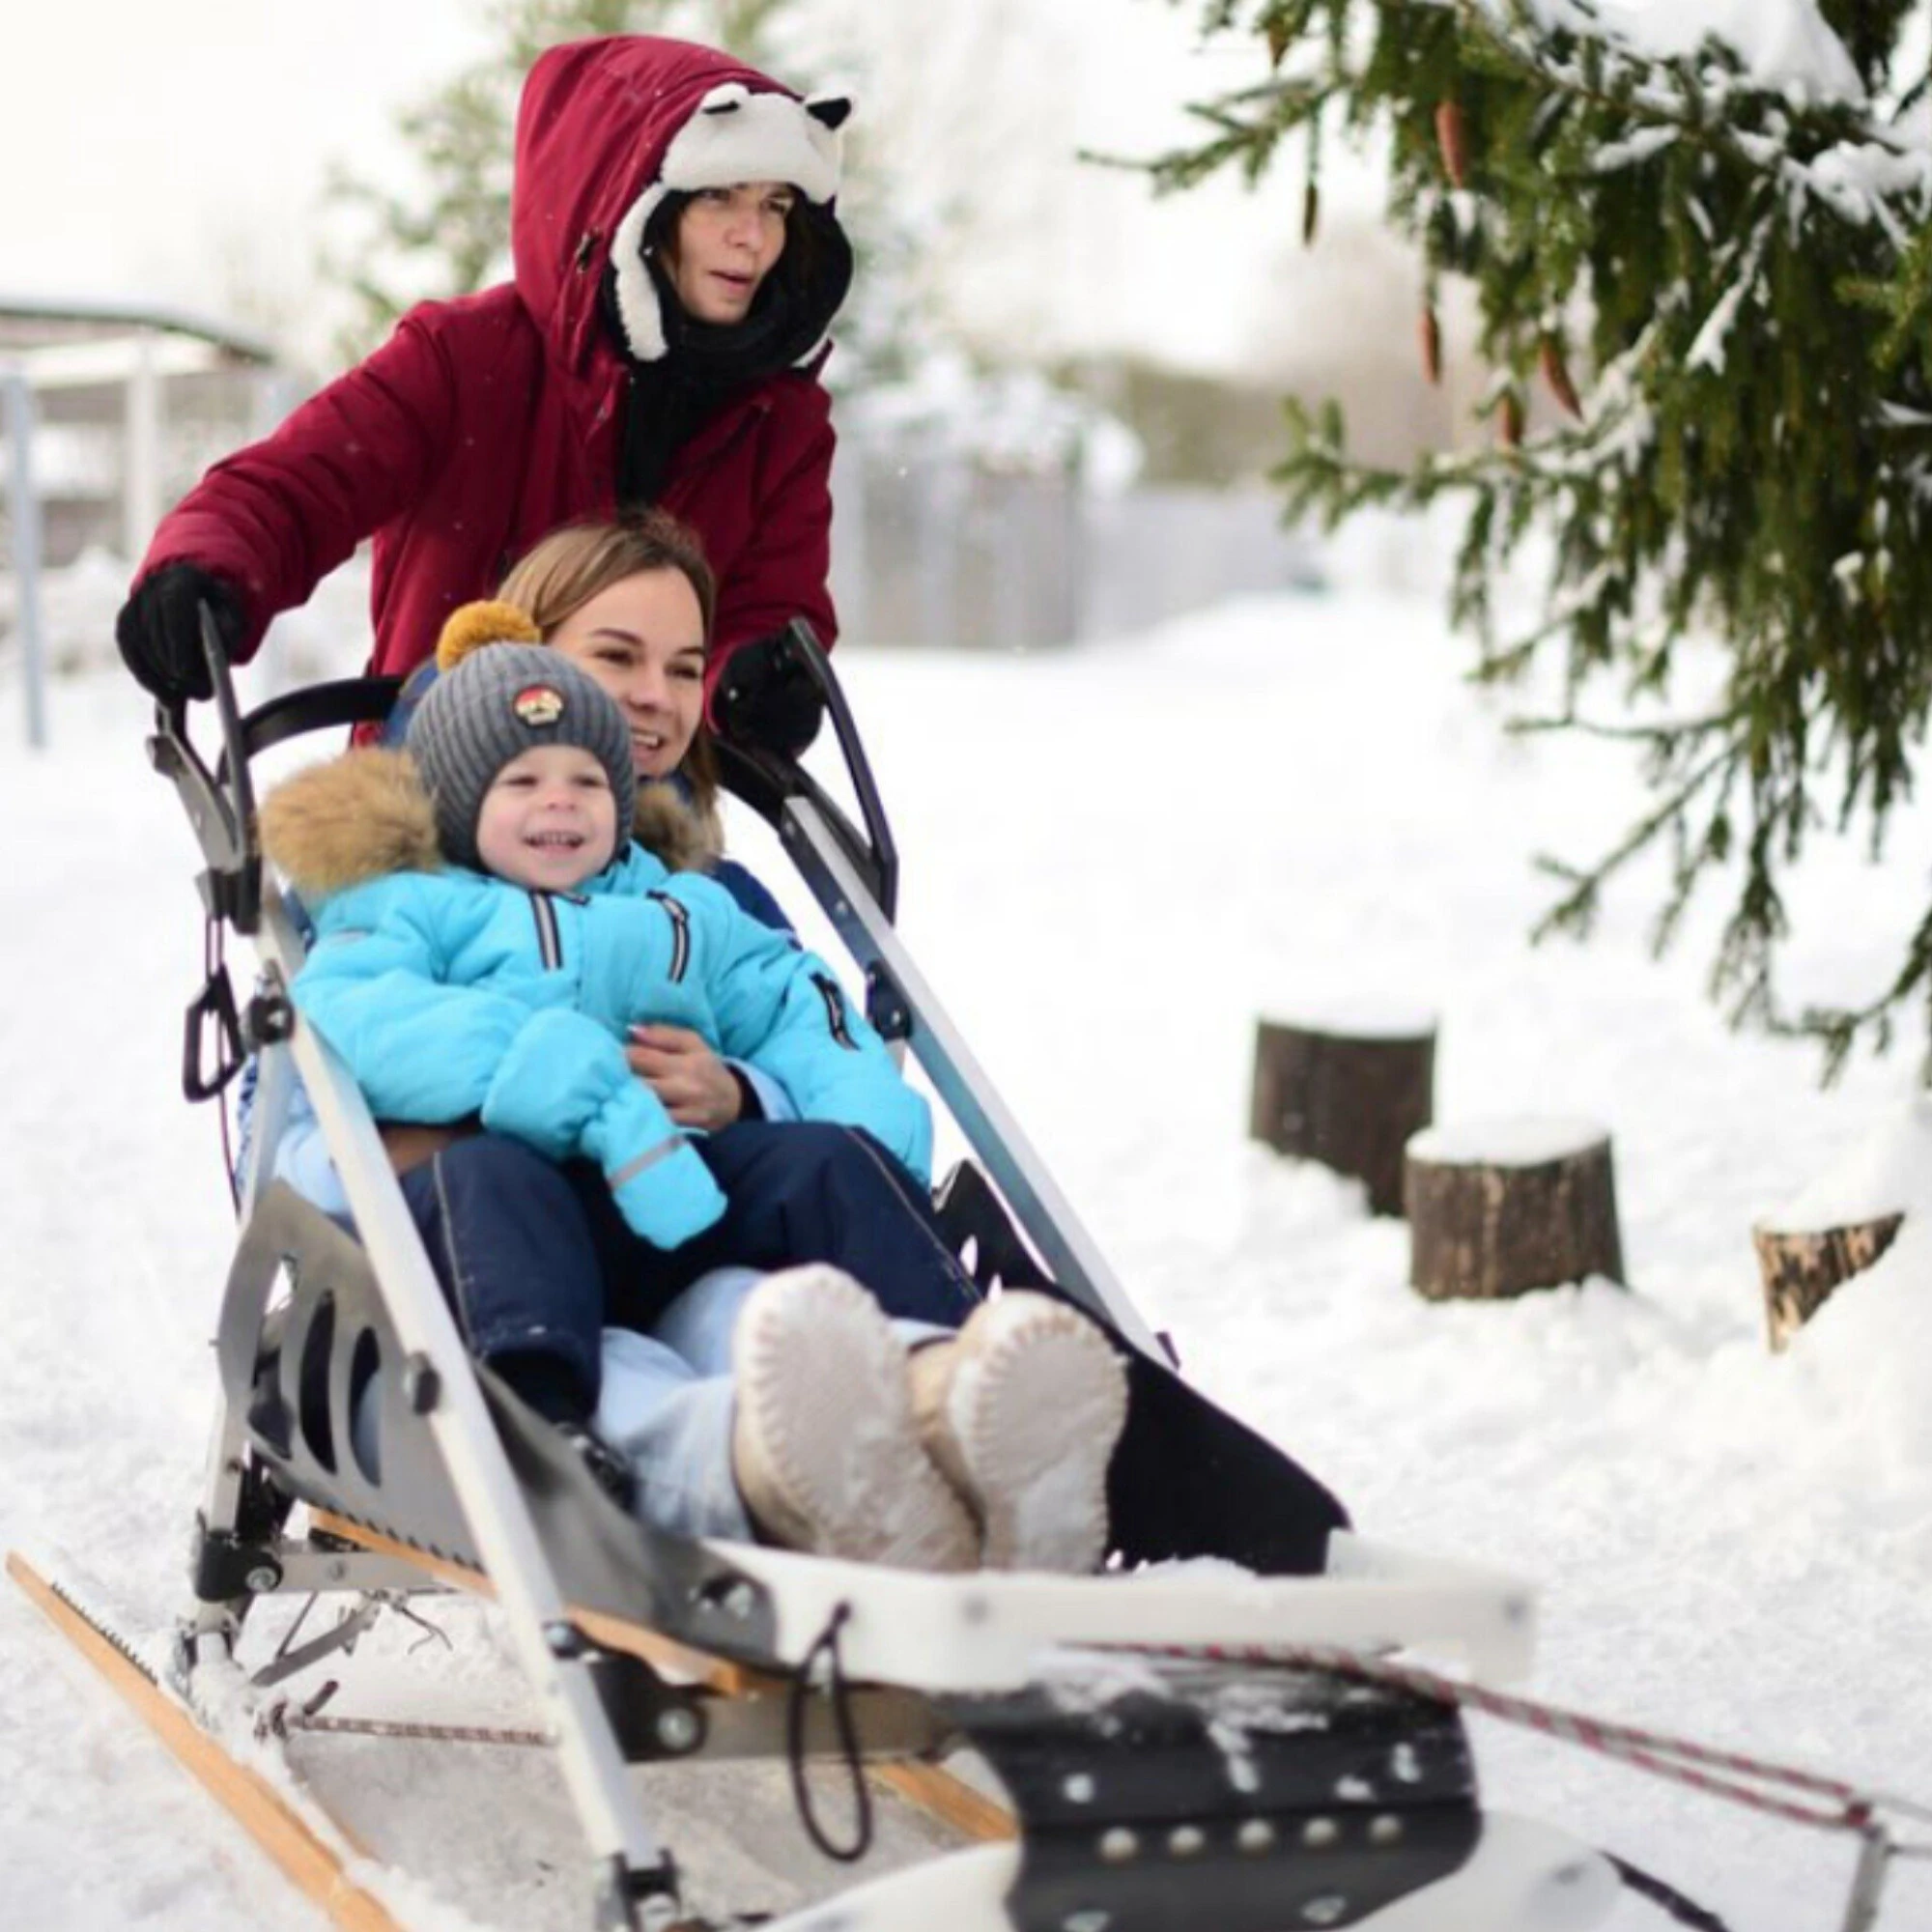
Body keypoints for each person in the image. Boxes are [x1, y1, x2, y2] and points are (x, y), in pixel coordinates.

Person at [263, 625, 1128, 1574]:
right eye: (522, 782)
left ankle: (970, 1381)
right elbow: (353, 1010)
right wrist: (524, 1057)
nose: (561, 799)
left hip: (671, 1196)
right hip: (522, 1209)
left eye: (588, 781)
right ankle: (543, 1429)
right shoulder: (413, 904)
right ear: (460, 806)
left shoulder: (680, 904)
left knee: (824, 1162)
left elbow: (786, 994)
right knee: (492, 1178)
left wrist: (790, 1110)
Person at [115, 34, 850, 754]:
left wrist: (755, 679)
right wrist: (204, 570)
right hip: (423, 801)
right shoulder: (465, 361)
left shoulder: (778, 422)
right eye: (719, 195)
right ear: (631, 205)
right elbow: (295, 488)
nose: (753, 236)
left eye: (778, 204)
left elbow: (767, 607)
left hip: (636, 826)